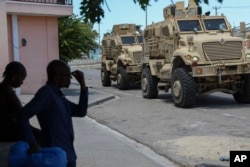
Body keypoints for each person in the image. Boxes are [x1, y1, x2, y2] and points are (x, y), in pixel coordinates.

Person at [18, 59, 88, 167]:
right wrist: (32, 142)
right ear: (56, 78)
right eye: (67, 75)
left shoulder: (58, 95)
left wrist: (83, 86)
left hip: (68, 155)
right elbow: (23, 115)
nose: (70, 78)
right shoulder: (46, 94)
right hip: (54, 157)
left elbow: (81, 111)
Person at [0, 61, 27, 141]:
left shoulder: (3, 88)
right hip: (6, 133)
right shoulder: (6, 90)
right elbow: (22, 112)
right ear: (14, 76)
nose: (22, 82)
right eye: (21, 78)